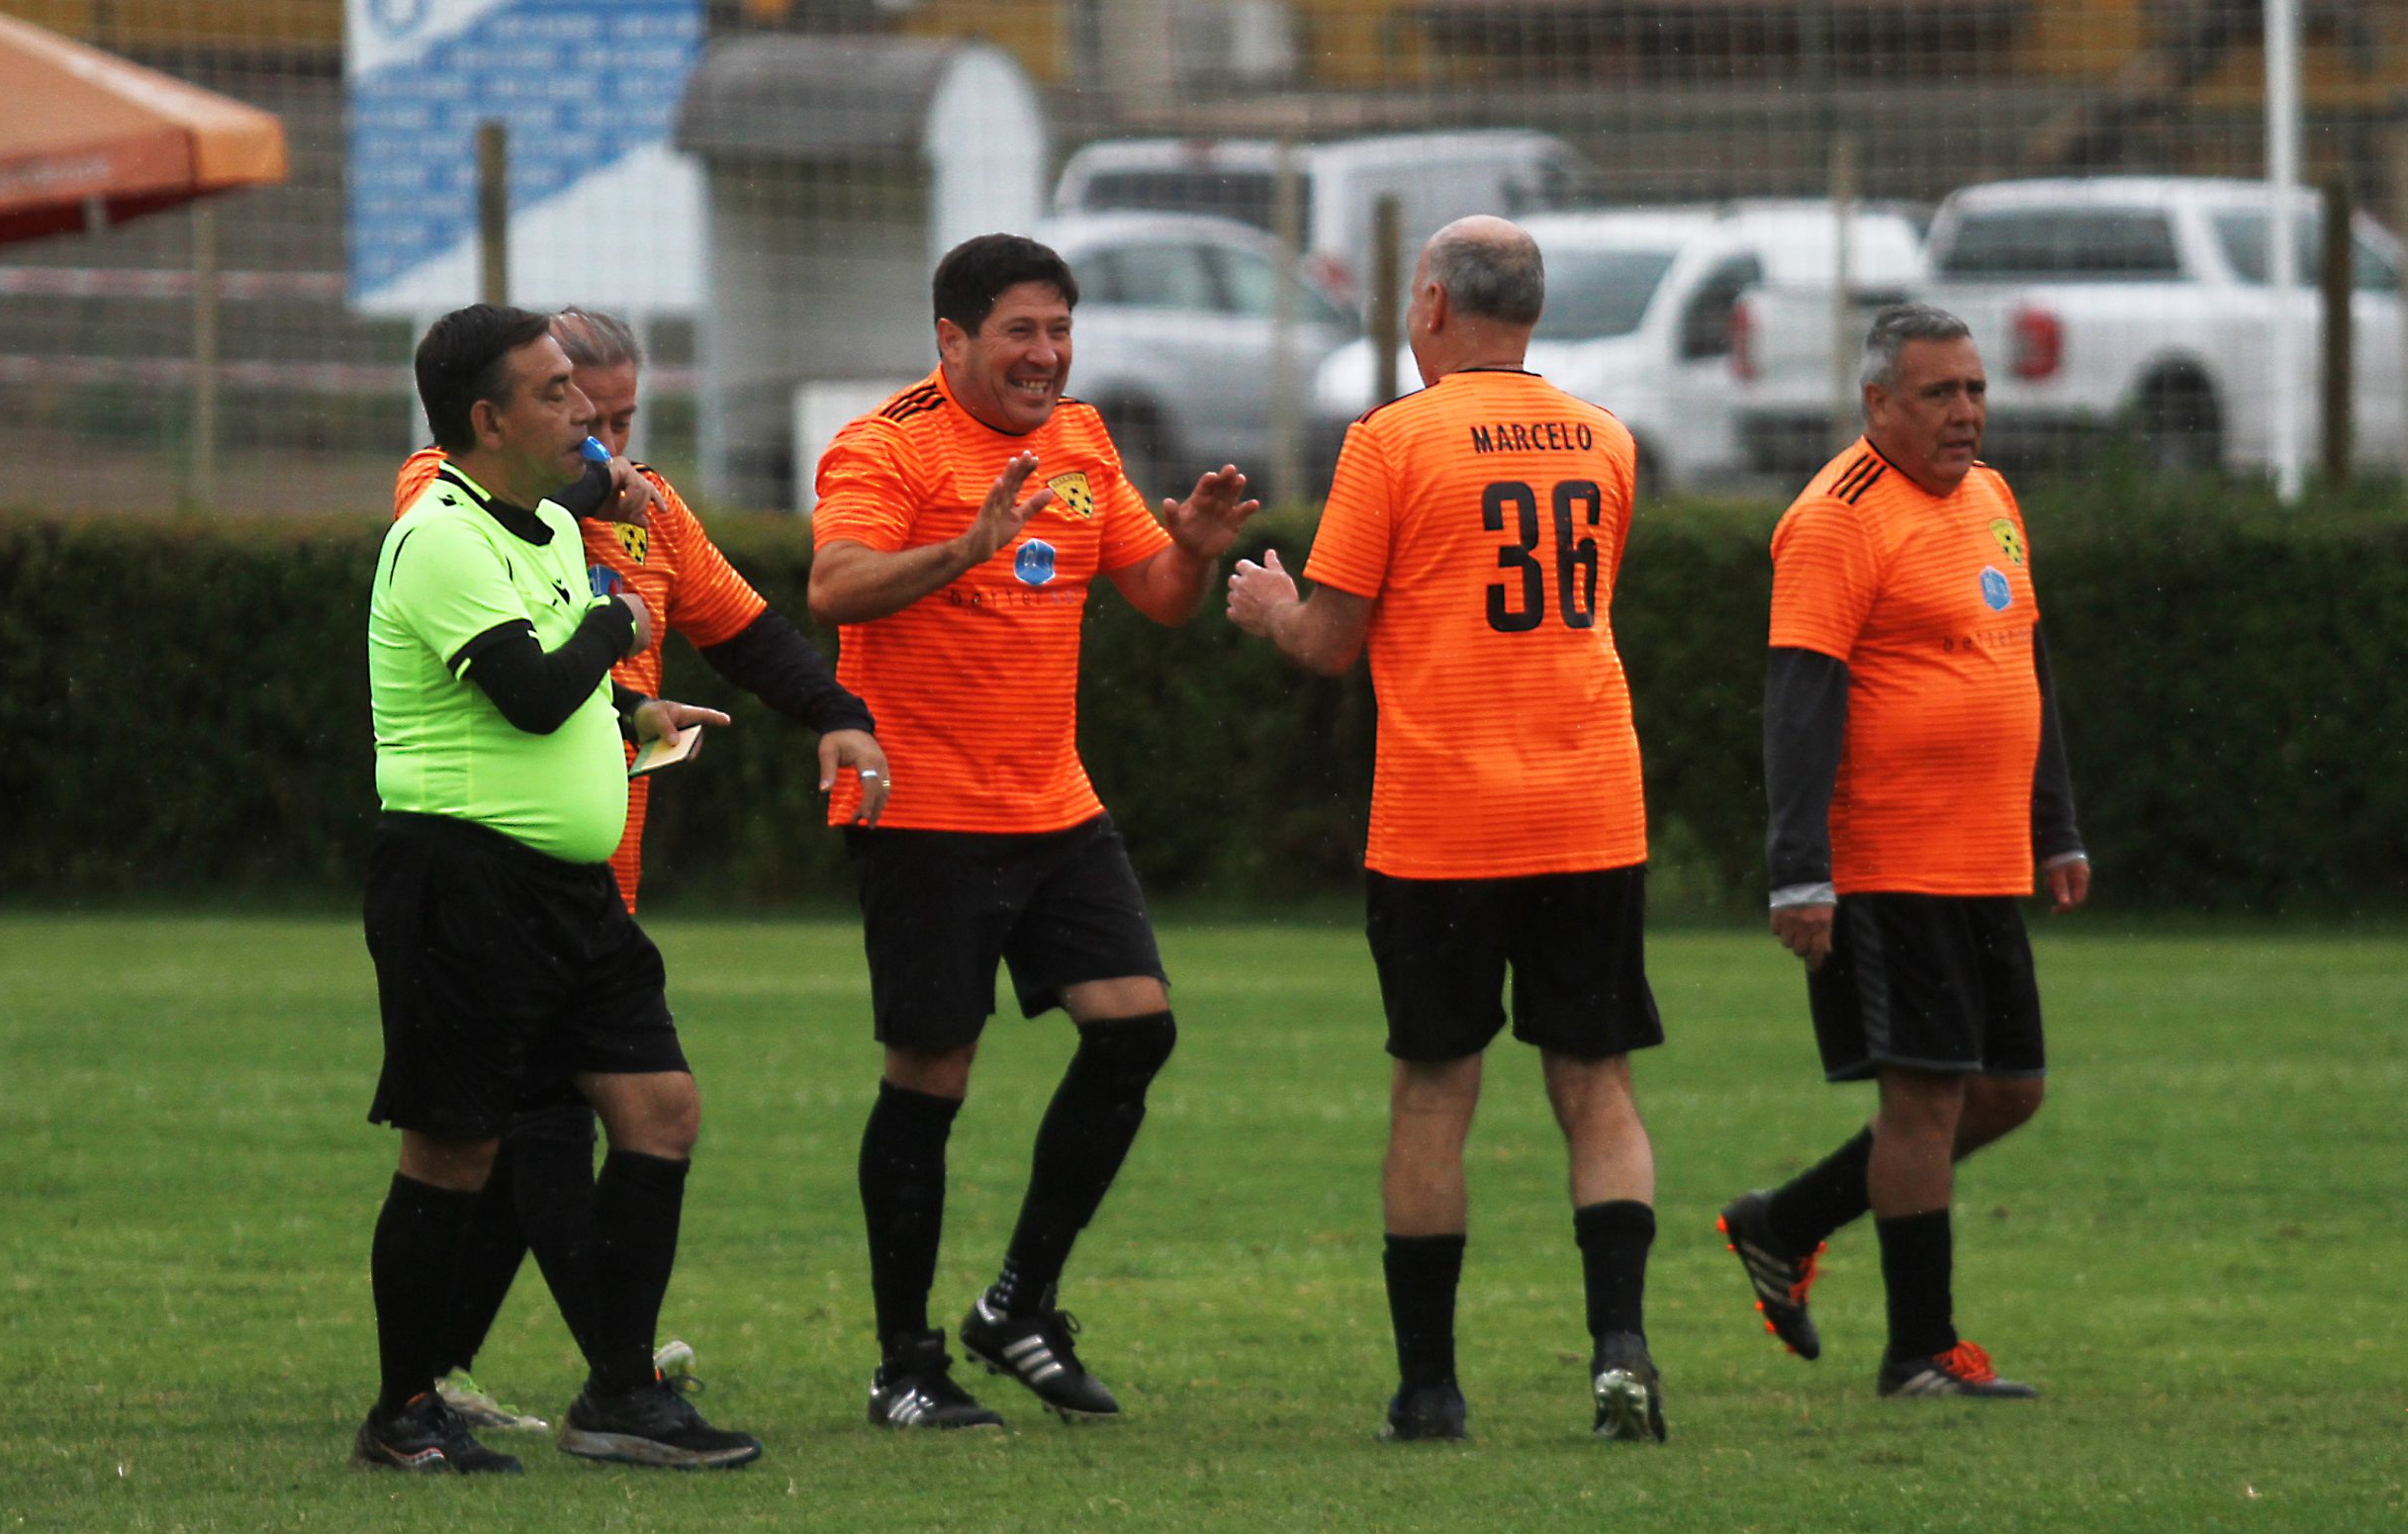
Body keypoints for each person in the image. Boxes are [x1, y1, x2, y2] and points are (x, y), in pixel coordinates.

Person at [390, 310, 885, 1433]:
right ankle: (610, 1374)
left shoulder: (641, 508)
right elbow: (524, 672)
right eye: (581, 412)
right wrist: (595, 531)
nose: (605, 441)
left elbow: (746, 631)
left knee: (548, 1131)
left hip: (595, 882)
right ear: (513, 409)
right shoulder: (450, 493)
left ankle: (459, 1372)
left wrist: (838, 713)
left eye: (621, 419)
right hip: (491, 874)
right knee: (523, 1134)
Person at [1225, 217, 1668, 1444]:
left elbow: (1330, 642)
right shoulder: (1607, 438)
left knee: (1433, 1091)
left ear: (1427, 305)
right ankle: (1620, 1349)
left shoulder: (1393, 440)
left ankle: (1429, 1391)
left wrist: (1268, 606)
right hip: (1589, 803)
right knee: (1596, 1083)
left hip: (1446, 817)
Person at [807, 232, 1257, 1429]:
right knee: (932, 1073)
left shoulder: (1082, 439)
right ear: (952, 338)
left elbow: (1159, 596)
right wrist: (966, 548)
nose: (1046, 355)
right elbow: (833, 585)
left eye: (1060, 330)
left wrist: (1194, 552)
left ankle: (1015, 1306)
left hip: (1053, 805)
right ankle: (903, 1364)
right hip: (922, 809)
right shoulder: (886, 443)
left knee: (1136, 1030)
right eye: (1021, 331)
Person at [356, 303, 759, 1473]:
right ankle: (402, 1415)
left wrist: (633, 709)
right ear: (488, 421)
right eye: (553, 392)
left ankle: (621, 1395)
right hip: (462, 885)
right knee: (453, 1151)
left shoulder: (537, 529)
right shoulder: (440, 535)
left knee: (660, 1109)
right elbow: (528, 694)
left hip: (569, 895)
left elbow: (557, 682)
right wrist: (616, 621)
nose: (583, 410)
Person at [1716, 303, 2089, 1400]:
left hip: (1984, 857)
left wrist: (2056, 824)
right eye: (1939, 394)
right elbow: (1800, 703)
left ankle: (1785, 1220)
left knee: (2010, 1091)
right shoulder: (1834, 520)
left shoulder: (1992, 497)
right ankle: (1921, 1350)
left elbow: (2022, 668)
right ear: (1878, 402)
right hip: (1889, 857)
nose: (1965, 412)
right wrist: (1799, 870)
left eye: (1975, 390)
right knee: (1924, 1100)